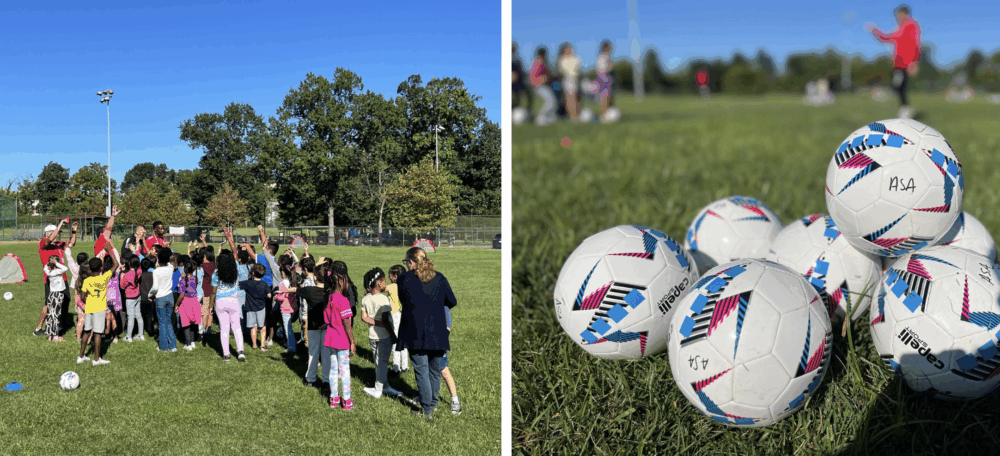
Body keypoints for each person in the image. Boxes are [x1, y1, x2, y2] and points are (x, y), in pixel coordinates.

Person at [396, 247, 457, 419]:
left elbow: (403, 299)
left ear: (412, 262)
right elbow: (452, 301)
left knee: (421, 370)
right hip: (438, 330)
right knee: (434, 370)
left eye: (407, 262)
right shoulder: (439, 278)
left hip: (415, 331)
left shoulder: (404, 279)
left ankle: (426, 410)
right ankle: (434, 404)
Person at [866, 4, 920, 119]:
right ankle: (906, 108)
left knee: (898, 85)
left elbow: (915, 44)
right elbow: (886, 38)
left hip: (906, 64)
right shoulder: (899, 29)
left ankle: (906, 108)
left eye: (899, 15)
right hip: (898, 64)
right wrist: (874, 30)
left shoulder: (911, 26)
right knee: (898, 86)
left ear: (905, 14)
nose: (897, 17)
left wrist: (913, 62)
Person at [361, 268, 402, 399]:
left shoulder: (366, 298)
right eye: (384, 280)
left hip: (372, 335)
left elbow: (364, 317)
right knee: (382, 363)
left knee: (378, 362)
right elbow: (385, 320)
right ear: (379, 283)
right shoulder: (384, 300)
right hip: (384, 336)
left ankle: (385, 385)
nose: (386, 283)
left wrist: (374, 322)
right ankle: (378, 390)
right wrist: (393, 335)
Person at [78, 242, 119, 365]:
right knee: (97, 333)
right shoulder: (104, 278)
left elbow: (82, 295)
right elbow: (116, 264)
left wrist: (87, 301)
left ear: (90, 268)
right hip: (100, 308)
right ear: (101, 268)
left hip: (89, 308)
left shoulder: (87, 280)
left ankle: (81, 356)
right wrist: (109, 250)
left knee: (86, 331)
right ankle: (96, 359)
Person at [324, 271, 356, 410]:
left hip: (331, 338)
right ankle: (347, 400)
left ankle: (334, 398)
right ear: (342, 283)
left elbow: (326, 319)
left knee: (333, 369)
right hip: (342, 339)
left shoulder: (329, 299)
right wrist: (352, 341)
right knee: (345, 371)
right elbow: (346, 323)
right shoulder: (343, 301)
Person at [35, 218, 70, 336]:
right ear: (48, 233)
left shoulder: (58, 245)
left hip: (63, 279)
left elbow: (71, 244)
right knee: (49, 305)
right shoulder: (43, 243)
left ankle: (59, 326)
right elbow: (49, 239)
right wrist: (60, 224)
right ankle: (39, 328)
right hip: (51, 280)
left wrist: (74, 232)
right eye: (55, 233)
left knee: (65, 302)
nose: (57, 236)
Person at [211, 246, 246, 362]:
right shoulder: (235, 269)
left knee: (224, 329)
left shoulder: (216, 274)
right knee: (236, 327)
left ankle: (226, 354)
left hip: (220, 302)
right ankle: (240, 351)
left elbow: (213, 292)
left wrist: (210, 305)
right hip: (233, 300)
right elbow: (235, 254)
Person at [300, 262, 330, 389]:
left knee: (313, 352)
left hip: (312, 327)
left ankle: (311, 378)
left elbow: (295, 290)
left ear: (315, 277)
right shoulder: (330, 292)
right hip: (327, 326)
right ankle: (326, 380)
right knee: (326, 353)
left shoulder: (309, 290)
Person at [149, 247, 178, 352]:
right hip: (170, 296)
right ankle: (173, 346)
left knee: (161, 322)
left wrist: (150, 294)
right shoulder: (170, 268)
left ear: (159, 259)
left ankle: (164, 346)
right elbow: (169, 263)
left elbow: (155, 287)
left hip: (160, 297)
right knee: (168, 321)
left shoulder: (156, 271)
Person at [240, 263, 272, 352]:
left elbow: (238, 284)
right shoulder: (264, 284)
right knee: (262, 327)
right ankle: (262, 345)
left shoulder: (248, 283)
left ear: (253, 273)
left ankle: (254, 344)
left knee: (253, 327)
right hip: (261, 307)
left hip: (250, 307)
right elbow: (269, 295)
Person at [174, 257, 202, 351]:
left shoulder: (183, 281)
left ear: (185, 269)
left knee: (185, 323)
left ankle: (188, 343)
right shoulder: (195, 278)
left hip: (186, 302)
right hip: (195, 301)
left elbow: (181, 294)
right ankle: (192, 341)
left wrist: (177, 304)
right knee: (193, 323)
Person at [387, 265, 408, 373]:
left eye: (389, 275)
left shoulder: (392, 287)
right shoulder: (406, 285)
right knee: (404, 341)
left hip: (394, 315)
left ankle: (396, 367)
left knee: (395, 341)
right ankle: (405, 366)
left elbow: (381, 289)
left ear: (395, 276)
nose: (388, 277)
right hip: (404, 314)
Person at [43, 256, 69, 342]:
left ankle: (50, 334)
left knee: (51, 314)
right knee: (56, 315)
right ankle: (55, 335)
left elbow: (45, 268)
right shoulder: (57, 271)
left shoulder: (49, 271)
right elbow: (65, 268)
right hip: (57, 295)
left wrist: (48, 264)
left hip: (51, 294)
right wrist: (56, 263)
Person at [441, 306, 461, 414]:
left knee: (444, 370)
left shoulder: (444, 308)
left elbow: (447, 328)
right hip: (427, 343)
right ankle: (425, 397)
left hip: (439, 344)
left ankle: (455, 401)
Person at [530, 46, 557, 125]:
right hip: (538, 86)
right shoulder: (537, 62)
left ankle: (545, 117)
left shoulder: (542, 63)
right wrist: (542, 79)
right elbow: (532, 77)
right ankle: (540, 118)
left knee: (552, 102)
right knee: (551, 102)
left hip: (543, 86)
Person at [558, 42, 582, 121]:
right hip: (568, 79)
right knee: (570, 97)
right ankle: (571, 115)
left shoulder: (574, 58)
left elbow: (578, 66)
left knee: (576, 97)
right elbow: (562, 70)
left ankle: (575, 113)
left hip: (575, 79)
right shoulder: (562, 59)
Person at [121, 255, 143, 342]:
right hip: (138, 296)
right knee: (138, 315)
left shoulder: (127, 275)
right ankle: (141, 334)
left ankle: (128, 336)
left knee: (130, 316)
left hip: (130, 298)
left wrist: (122, 277)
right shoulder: (139, 271)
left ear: (129, 264)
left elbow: (122, 287)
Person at [139, 257, 157, 341]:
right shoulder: (152, 275)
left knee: (142, 315)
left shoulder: (140, 276)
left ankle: (141, 330)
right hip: (150, 298)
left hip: (142, 298)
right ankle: (150, 330)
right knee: (149, 315)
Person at [200, 247, 217, 336]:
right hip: (213, 290)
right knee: (211, 310)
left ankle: (204, 328)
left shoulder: (204, 266)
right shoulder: (214, 265)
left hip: (205, 290)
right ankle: (209, 327)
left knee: (204, 311)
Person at [512, 41, 533, 112]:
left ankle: (528, 111)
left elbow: (521, 72)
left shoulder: (517, 60)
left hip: (519, 82)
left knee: (528, 92)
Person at [596, 40, 614, 120]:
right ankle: (603, 114)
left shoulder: (603, 57)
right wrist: (610, 66)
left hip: (604, 77)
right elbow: (602, 68)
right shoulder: (603, 57)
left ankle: (605, 113)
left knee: (607, 97)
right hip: (603, 77)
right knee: (604, 96)